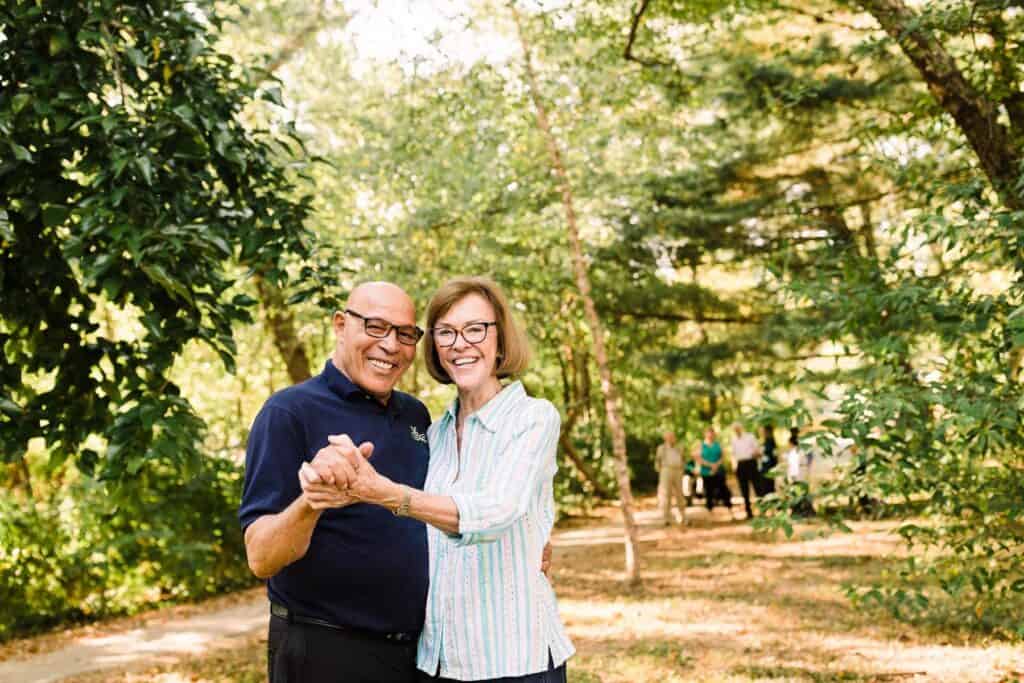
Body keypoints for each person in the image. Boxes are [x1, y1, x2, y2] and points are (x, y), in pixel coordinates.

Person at [301, 276, 574, 683]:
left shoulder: (533, 418)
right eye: (446, 332)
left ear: (500, 339)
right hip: (440, 661)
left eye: (476, 329)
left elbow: (498, 510)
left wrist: (387, 494)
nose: (460, 343)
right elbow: (419, 535)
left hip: (515, 660)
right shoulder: (435, 433)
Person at [239, 282, 431, 683]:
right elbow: (261, 557)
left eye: (406, 333)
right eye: (376, 327)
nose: (391, 345)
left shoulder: (417, 417)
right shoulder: (288, 412)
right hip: (325, 652)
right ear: (341, 326)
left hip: (416, 654)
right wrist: (313, 501)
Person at [697, 427, 734, 517]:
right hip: (706, 472)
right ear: (705, 434)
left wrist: (716, 465)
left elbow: (722, 456)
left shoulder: (718, 444)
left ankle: (730, 509)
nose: (710, 435)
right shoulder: (701, 445)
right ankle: (709, 511)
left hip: (719, 471)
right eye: (708, 433)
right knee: (708, 492)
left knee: (724, 490)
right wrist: (710, 465)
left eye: (712, 433)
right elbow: (698, 458)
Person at [730, 422, 761, 519]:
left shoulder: (750, 437)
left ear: (741, 428)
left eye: (738, 428)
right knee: (744, 489)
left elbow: (757, 450)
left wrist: (755, 455)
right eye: (735, 429)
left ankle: (762, 510)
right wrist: (734, 466)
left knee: (757, 487)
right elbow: (733, 454)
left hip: (751, 463)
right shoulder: (733, 440)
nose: (736, 430)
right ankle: (749, 512)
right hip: (740, 465)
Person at [655, 431, 686, 525]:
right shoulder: (661, 448)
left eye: (673, 437)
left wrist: (682, 469)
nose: (672, 439)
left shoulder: (679, 448)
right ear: (666, 438)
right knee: (666, 495)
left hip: (678, 470)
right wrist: (660, 471)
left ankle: (682, 516)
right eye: (670, 437)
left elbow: (683, 459)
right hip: (666, 470)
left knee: (679, 494)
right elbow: (657, 461)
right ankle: (666, 518)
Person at [784, 427, 815, 517]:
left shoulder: (796, 451)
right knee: (801, 492)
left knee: (800, 492)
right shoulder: (799, 450)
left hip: (799, 473)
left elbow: (794, 465)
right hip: (800, 472)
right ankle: (801, 510)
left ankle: (803, 511)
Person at [755, 423, 778, 496]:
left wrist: (760, 454)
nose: (762, 432)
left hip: (768, 468)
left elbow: (770, 455)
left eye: (763, 431)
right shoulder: (766, 441)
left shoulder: (770, 441)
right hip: (766, 467)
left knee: (768, 486)